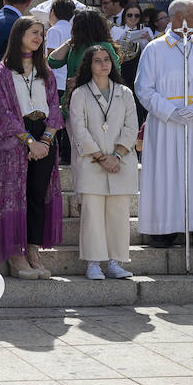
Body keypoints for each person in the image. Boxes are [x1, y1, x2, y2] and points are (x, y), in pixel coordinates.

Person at [136, 0, 193, 249]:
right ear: (179, 17)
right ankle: (164, 230)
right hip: (166, 123)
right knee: (166, 173)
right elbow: (143, 87)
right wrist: (170, 111)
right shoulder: (155, 48)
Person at [0, 17, 65, 277]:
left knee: (36, 195)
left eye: (42, 35)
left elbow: (55, 105)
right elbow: (3, 111)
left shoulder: (45, 69)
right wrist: (29, 142)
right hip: (16, 139)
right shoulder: (2, 71)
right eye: (34, 33)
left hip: (44, 134)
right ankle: (16, 255)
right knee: (14, 196)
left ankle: (33, 250)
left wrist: (44, 140)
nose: (39, 38)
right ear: (19, 34)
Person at [67, 45, 138, 279]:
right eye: (97, 60)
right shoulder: (80, 94)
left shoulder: (125, 93)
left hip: (121, 163)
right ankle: (93, 263)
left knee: (119, 215)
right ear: (89, 65)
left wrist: (116, 155)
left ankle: (115, 262)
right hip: (92, 163)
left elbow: (131, 128)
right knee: (92, 216)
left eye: (107, 59)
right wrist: (100, 157)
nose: (103, 64)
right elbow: (79, 129)